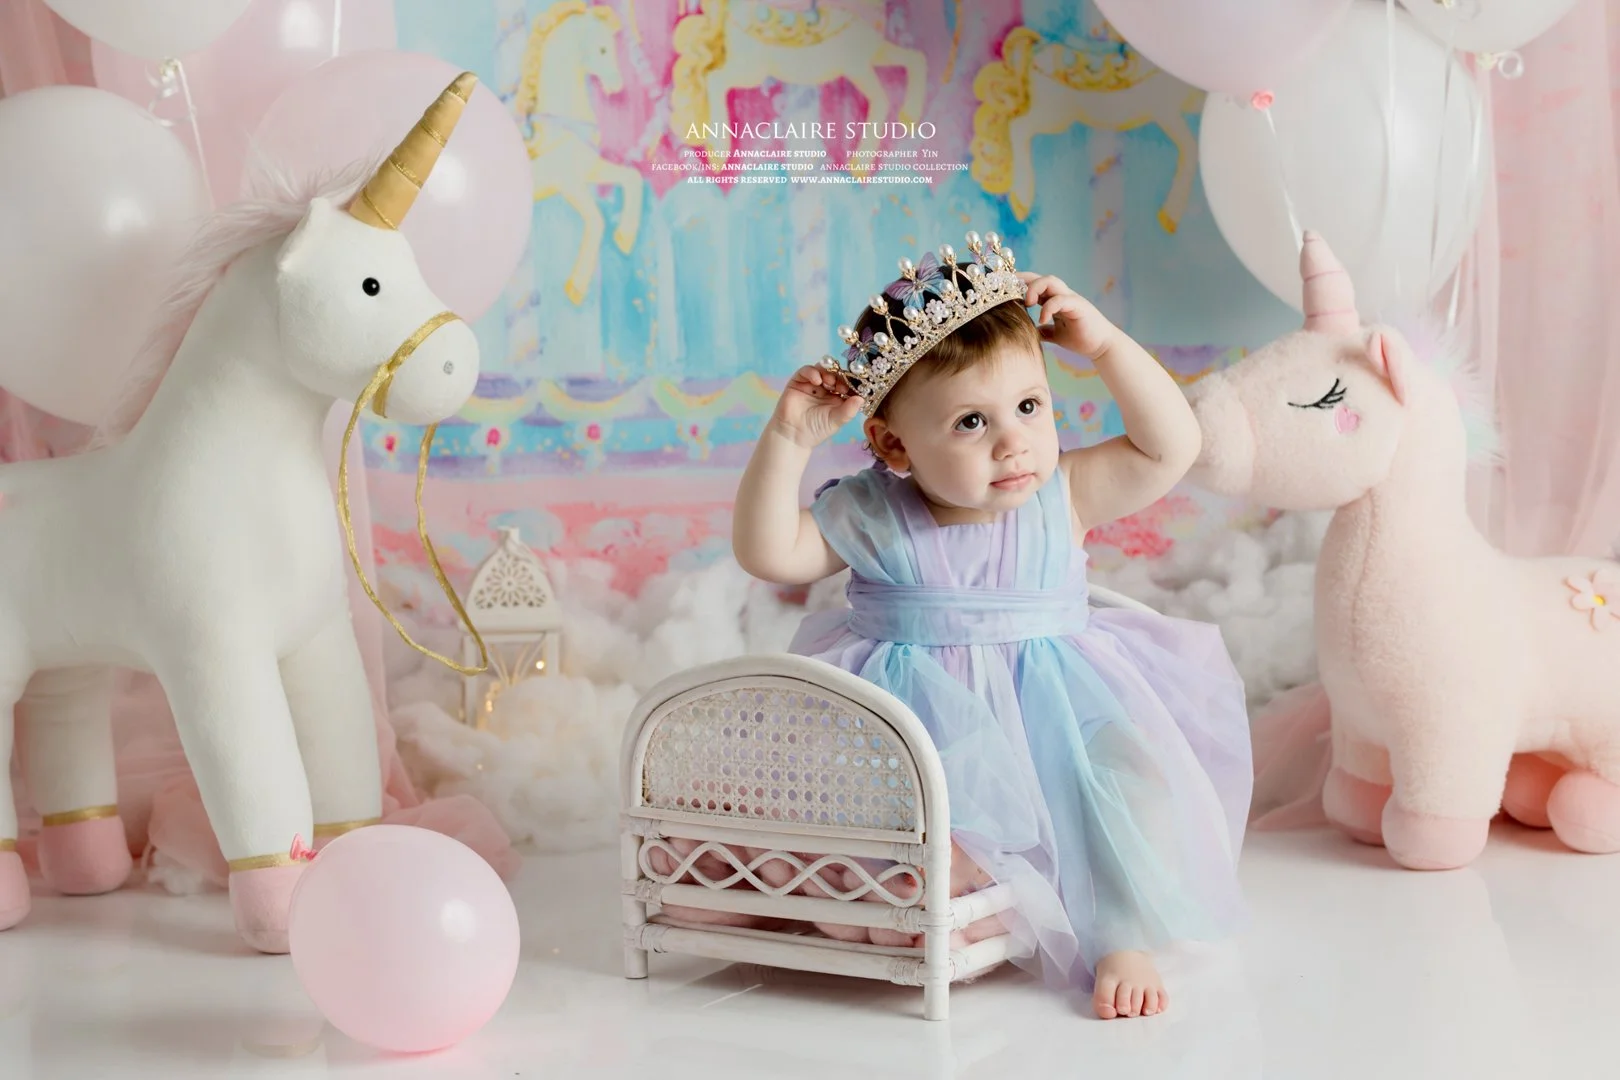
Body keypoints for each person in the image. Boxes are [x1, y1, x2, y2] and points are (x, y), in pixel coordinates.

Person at [730, 231, 1252, 1019]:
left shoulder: (1063, 492)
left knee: (1123, 784)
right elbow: (768, 551)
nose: (1014, 441)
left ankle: (1120, 932)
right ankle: (916, 901)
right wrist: (785, 442)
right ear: (892, 444)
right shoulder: (873, 512)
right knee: (902, 821)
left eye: (1030, 406)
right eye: (971, 423)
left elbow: (1172, 445)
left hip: (1057, 716)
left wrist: (1104, 345)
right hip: (919, 728)